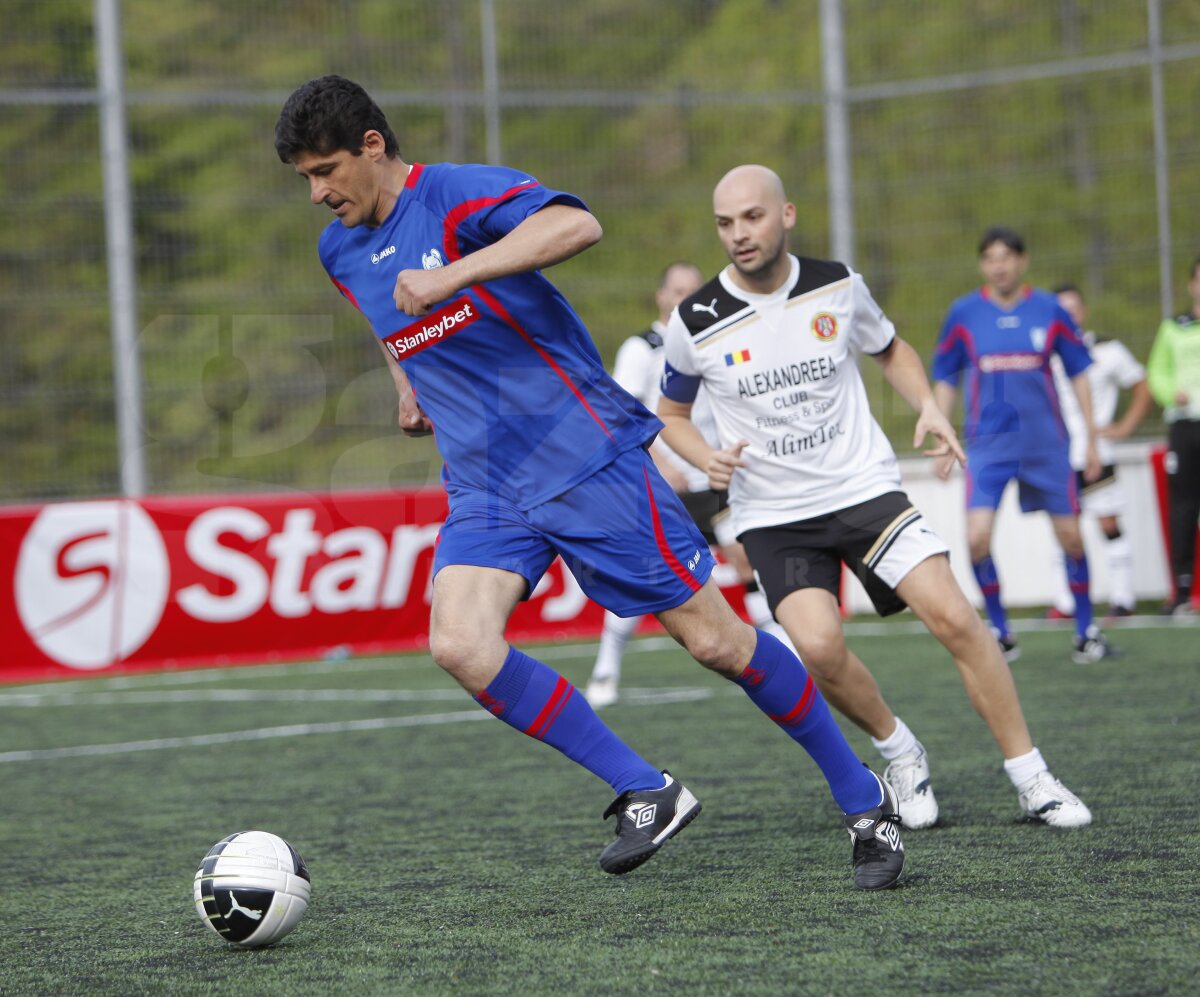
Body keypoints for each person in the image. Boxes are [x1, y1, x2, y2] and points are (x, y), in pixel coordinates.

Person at [275, 76, 906, 890]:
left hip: (583, 455)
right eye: (305, 180)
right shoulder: (339, 249)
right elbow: (386, 316)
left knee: (715, 640)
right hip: (486, 484)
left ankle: (865, 796)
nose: (319, 192)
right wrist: (407, 378)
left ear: (372, 147)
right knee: (460, 644)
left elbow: (578, 223)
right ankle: (647, 787)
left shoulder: (458, 196)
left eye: (327, 169)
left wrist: (454, 274)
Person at [657, 164, 1091, 831]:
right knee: (820, 647)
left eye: (752, 217)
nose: (739, 234)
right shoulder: (696, 320)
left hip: (863, 490)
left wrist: (929, 407)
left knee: (957, 619)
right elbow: (672, 414)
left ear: (786, 214)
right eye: (725, 222)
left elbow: (892, 350)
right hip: (774, 515)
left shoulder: (837, 285)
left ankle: (1033, 779)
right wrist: (701, 455)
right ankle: (899, 749)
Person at [584, 262, 796, 709]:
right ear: (661, 296)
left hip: (713, 477)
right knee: (640, 576)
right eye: (676, 290)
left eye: (691, 290)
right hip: (659, 485)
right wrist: (659, 461)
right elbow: (618, 413)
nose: (684, 298)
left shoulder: (713, 340)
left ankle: (786, 655)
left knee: (744, 556)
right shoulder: (642, 349)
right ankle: (607, 667)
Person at [932, 227, 1114, 664]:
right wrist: (943, 436)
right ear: (983, 265)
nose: (1000, 265)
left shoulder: (1050, 309)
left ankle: (1086, 631)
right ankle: (999, 631)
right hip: (988, 446)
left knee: (1071, 538)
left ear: (1022, 261)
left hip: (1046, 446)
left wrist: (1091, 438)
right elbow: (944, 374)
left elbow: (1079, 372)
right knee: (975, 540)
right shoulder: (964, 313)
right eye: (991, 258)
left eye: (1007, 256)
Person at [1045, 284, 1152, 620]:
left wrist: (1122, 428)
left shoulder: (1107, 350)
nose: (1069, 315)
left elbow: (1142, 386)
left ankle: (1123, 599)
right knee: (1064, 528)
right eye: (1062, 310)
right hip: (1057, 456)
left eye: (1073, 308)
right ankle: (1067, 602)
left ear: (1084, 311)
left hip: (1097, 453)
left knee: (1108, 523)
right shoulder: (1044, 355)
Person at [1146, 255, 1200, 617]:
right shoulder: (1173, 328)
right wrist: (1170, 393)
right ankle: (1182, 589)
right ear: (1192, 284)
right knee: (1182, 507)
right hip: (1184, 424)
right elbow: (1156, 373)